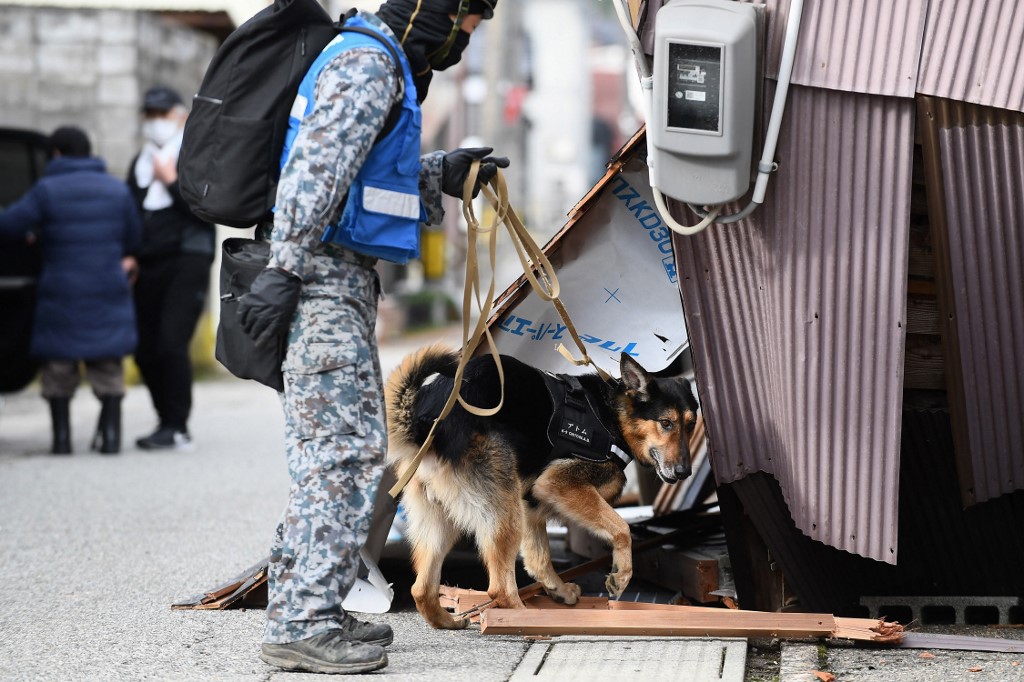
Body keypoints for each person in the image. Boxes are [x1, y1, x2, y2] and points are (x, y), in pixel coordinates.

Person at [236, 0, 505, 674]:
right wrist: (286, 265)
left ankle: (311, 610)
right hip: (318, 281)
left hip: (333, 279)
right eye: (468, 22)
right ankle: (302, 623)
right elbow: (315, 169)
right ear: (436, 10)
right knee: (343, 453)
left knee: (329, 453)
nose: (465, 41)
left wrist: (439, 171)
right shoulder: (368, 63)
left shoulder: (373, 61)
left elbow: (361, 175)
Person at [0, 126, 141, 455]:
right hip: (107, 288)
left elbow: (9, 226)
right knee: (107, 365)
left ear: (57, 154)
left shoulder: (47, 190)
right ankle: (111, 440)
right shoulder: (116, 190)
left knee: (59, 368)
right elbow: (134, 238)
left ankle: (61, 442)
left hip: (62, 290)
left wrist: (38, 234)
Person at [127, 86, 216, 451]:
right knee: (143, 347)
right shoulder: (141, 161)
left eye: (162, 114)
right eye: (149, 115)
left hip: (188, 258)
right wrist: (127, 252)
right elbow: (129, 211)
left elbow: (205, 209)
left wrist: (171, 181)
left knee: (170, 342)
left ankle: (177, 426)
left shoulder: (193, 156)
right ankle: (165, 420)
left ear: (180, 116)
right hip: (147, 262)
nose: (155, 122)